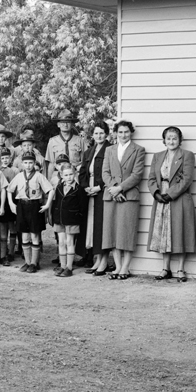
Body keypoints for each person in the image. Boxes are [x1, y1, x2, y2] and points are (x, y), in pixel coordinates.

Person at [147, 126, 196, 283]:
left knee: (180, 231)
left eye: (174, 138)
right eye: (168, 138)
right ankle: (165, 268)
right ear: (164, 140)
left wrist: (170, 194)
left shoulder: (187, 155)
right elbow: (151, 178)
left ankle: (181, 269)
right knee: (164, 232)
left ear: (180, 140)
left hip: (179, 198)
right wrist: (156, 193)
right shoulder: (157, 156)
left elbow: (187, 179)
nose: (171, 141)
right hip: (160, 198)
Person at [101, 120, 146, 280]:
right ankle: (118, 267)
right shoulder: (109, 150)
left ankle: (125, 268)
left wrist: (120, 188)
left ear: (131, 132)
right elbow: (105, 172)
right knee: (113, 232)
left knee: (126, 232)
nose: (123, 135)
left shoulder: (138, 150)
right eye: (120, 132)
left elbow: (137, 174)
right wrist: (114, 189)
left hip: (129, 196)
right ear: (115, 133)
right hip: (111, 195)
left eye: (126, 132)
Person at [6, 152, 53, 273]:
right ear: (22, 164)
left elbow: (50, 190)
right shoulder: (19, 176)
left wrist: (47, 205)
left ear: (34, 163)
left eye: (30, 162)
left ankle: (34, 263)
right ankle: (27, 262)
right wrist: (11, 203)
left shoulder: (38, 176)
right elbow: (9, 189)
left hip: (34, 206)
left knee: (35, 235)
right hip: (22, 205)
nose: (28, 165)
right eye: (26, 163)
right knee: (25, 235)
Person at [79, 121, 110, 275]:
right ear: (93, 135)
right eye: (96, 133)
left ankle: (103, 262)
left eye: (102, 133)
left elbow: (112, 173)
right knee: (91, 227)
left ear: (107, 134)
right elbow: (82, 172)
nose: (99, 136)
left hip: (102, 192)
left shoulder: (110, 150)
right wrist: (85, 187)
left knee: (101, 227)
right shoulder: (88, 152)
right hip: (89, 192)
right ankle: (96, 259)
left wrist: (99, 187)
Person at [49, 163, 84, 277]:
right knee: (61, 242)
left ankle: (69, 267)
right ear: (61, 175)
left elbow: (82, 206)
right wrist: (54, 217)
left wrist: (78, 217)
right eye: (66, 175)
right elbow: (56, 203)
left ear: (75, 174)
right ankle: (62, 266)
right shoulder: (59, 188)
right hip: (60, 219)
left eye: (71, 174)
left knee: (69, 242)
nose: (69, 177)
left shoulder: (79, 189)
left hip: (72, 219)